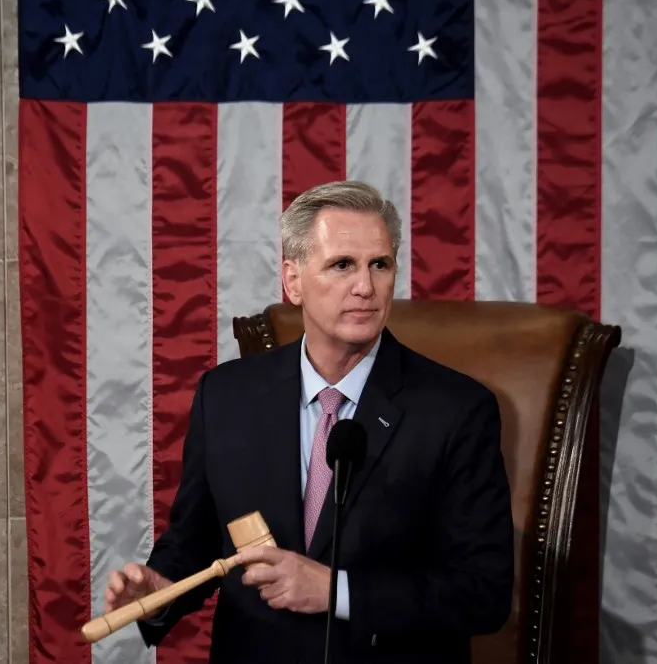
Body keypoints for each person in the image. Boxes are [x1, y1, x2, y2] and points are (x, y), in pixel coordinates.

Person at [103, 180, 515, 663]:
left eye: (379, 264)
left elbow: (482, 594)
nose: (365, 286)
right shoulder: (226, 396)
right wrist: (159, 592)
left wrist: (337, 591)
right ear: (292, 280)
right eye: (342, 265)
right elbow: (193, 541)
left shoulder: (457, 410)